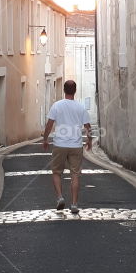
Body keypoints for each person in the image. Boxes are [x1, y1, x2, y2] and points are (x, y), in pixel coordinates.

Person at [42, 80, 93, 214]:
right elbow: (88, 126)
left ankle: (60, 197)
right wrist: (89, 140)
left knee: (56, 172)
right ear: (75, 91)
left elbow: (49, 124)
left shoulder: (57, 106)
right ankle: (74, 204)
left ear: (64, 90)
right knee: (75, 175)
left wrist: (45, 139)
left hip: (60, 144)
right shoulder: (81, 107)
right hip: (76, 145)